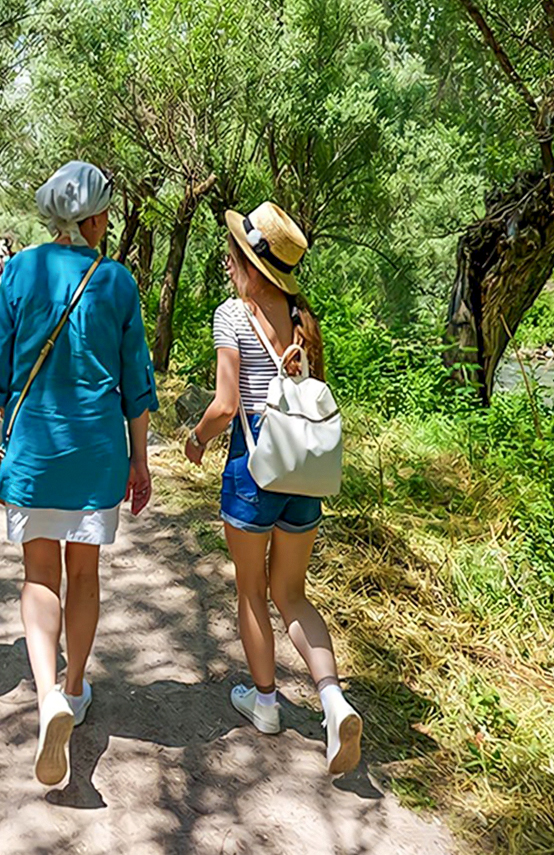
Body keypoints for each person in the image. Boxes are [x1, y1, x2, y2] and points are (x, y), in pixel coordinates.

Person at [0, 161, 158, 787]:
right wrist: (140, 459)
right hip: (98, 452)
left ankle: (47, 695)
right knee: (83, 572)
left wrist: (12, 403)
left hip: (35, 450)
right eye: (105, 210)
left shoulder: (21, 270)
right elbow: (136, 382)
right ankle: (75, 689)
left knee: (38, 575)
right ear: (91, 217)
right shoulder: (116, 282)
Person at [183, 201, 362, 775]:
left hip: (254, 469)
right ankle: (333, 702)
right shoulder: (303, 316)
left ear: (246, 263)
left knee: (251, 594)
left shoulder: (233, 315)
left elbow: (226, 403)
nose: (227, 262)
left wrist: (196, 439)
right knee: (292, 594)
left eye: (232, 254)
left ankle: (265, 704)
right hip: (303, 474)